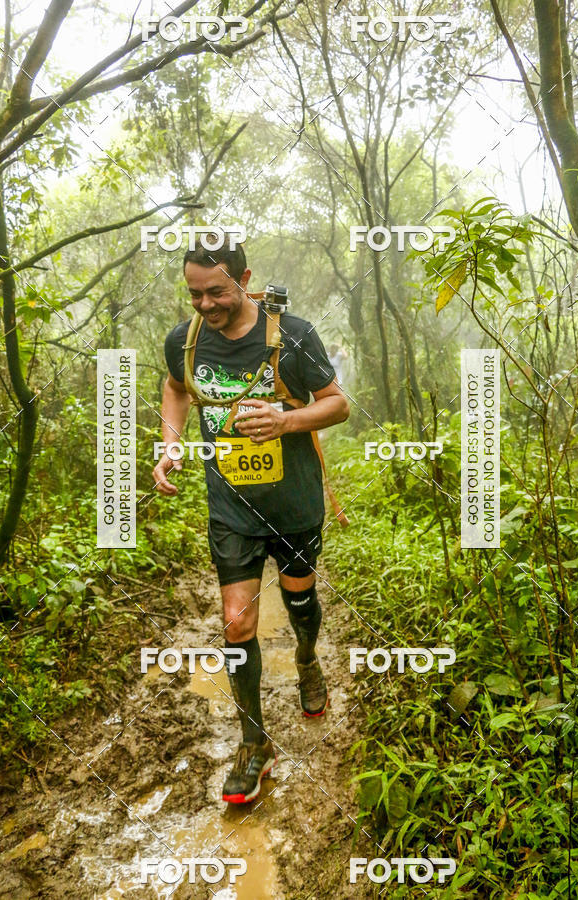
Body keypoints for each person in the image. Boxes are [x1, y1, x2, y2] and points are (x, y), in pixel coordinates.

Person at [152, 237, 349, 804]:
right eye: (195, 295)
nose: (207, 305)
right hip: (231, 508)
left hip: (294, 504)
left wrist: (286, 421)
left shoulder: (293, 334)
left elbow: (336, 403)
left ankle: (308, 660)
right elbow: (174, 388)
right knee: (236, 624)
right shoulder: (183, 342)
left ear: (244, 278)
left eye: (216, 291)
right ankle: (254, 744)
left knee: (299, 600)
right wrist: (171, 444)